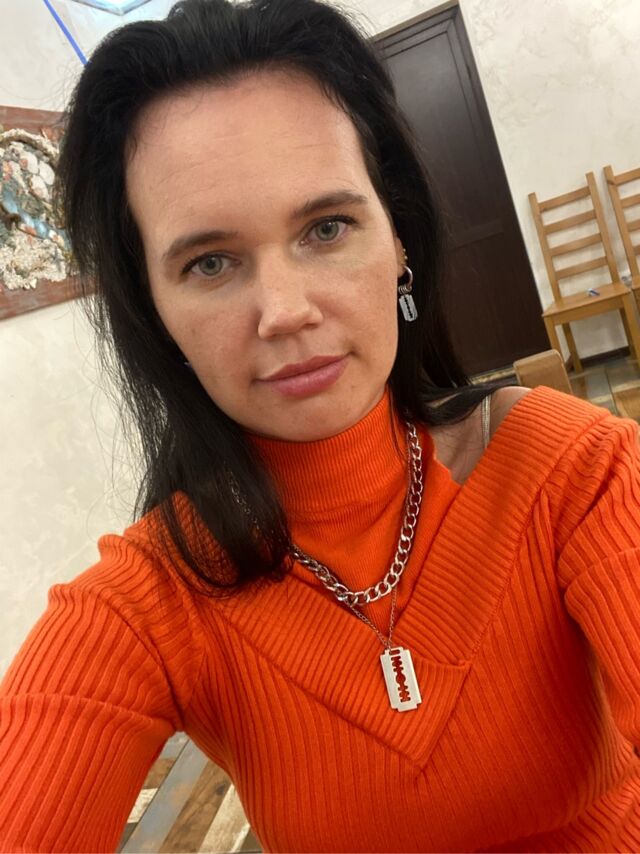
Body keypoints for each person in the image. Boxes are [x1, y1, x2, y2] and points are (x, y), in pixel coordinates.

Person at [1, 0, 639, 850]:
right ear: (153, 310)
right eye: (210, 262)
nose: (285, 311)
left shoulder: (576, 469)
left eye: (326, 228)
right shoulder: (149, 605)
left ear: (399, 238)